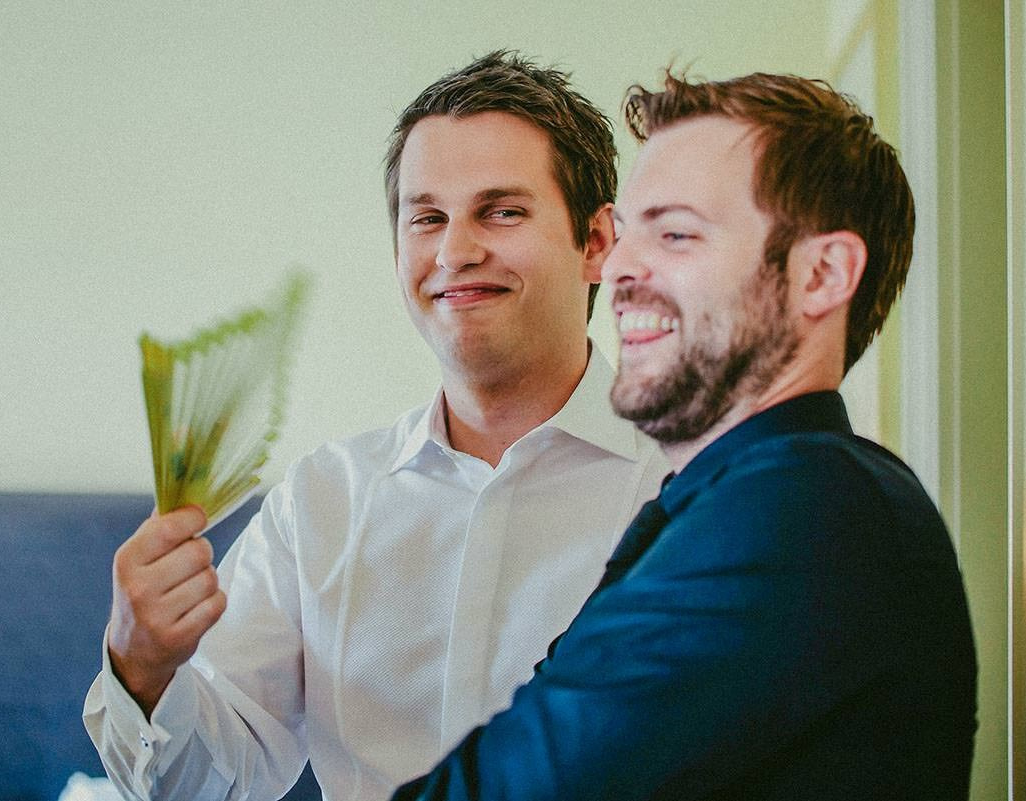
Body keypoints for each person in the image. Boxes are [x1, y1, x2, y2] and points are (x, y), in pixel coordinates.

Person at [83, 52, 670, 801]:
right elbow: (207, 788)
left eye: (501, 211)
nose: (455, 251)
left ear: (596, 242)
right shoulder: (321, 502)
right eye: (427, 218)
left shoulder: (690, 487)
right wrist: (142, 668)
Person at [392, 71, 979, 801]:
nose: (618, 266)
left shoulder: (805, 505)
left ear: (822, 275)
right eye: (628, 234)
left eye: (675, 233)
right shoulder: (735, 498)